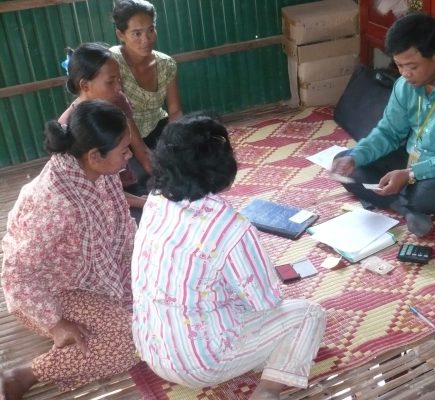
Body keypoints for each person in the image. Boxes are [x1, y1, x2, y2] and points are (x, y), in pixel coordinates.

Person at [131, 114, 326, 399]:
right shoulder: (230, 226)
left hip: (152, 348)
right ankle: (269, 389)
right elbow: (266, 302)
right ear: (220, 166)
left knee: (218, 291)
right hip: (201, 363)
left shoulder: (156, 200)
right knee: (310, 313)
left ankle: (258, 355)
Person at [0, 100, 140, 399]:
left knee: (148, 322)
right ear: (94, 155)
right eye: (124, 150)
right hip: (48, 293)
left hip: (92, 280)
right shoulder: (53, 202)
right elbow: (17, 274)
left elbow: (119, 229)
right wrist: (55, 324)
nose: (129, 155)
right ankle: (24, 375)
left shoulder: (96, 172)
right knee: (131, 344)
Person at [331, 13, 435, 237]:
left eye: (412, 66)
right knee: (347, 162)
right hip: (412, 158)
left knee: (428, 196)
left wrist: (410, 174)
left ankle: (403, 201)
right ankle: (406, 209)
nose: (405, 74)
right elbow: (388, 132)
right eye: (399, 65)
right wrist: (356, 157)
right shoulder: (404, 84)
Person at [59, 42, 149, 217]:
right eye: (110, 82)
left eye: (119, 79)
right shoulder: (68, 126)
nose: (118, 87)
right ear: (85, 85)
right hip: (95, 203)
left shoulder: (118, 100)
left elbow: (140, 147)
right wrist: (142, 202)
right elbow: (95, 193)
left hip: (124, 181)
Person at [110, 0, 182, 149]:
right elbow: (122, 116)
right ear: (120, 34)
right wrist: (144, 156)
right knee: (143, 172)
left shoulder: (166, 64)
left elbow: (174, 111)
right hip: (122, 136)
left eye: (151, 30)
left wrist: (176, 140)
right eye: (137, 33)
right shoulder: (112, 62)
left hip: (157, 127)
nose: (146, 39)